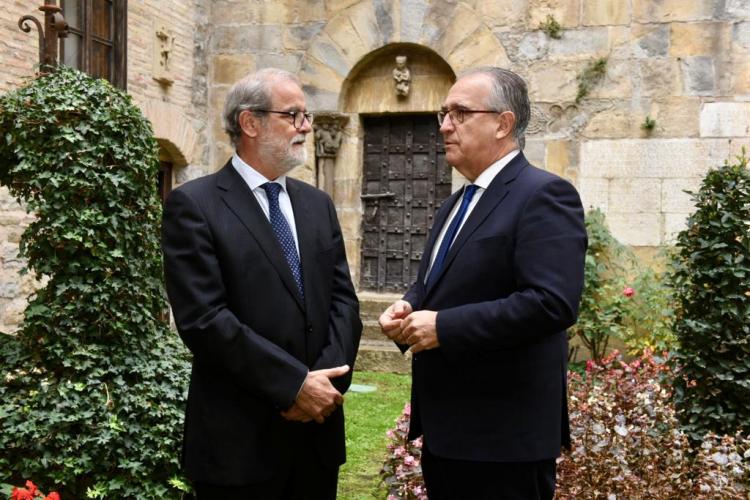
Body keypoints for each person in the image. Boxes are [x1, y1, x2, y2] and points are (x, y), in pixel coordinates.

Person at [379, 67, 587, 500]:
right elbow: (441, 282)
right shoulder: (457, 202)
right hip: (448, 432)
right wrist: (408, 305)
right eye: (443, 112)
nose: (444, 125)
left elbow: (552, 302)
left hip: (504, 440)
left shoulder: (544, 195)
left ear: (503, 124)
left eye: (460, 112)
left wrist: (444, 327)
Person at [162, 68, 362, 499]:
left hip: (317, 440)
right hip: (239, 446)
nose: (306, 127)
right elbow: (205, 319)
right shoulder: (194, 205)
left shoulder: (317, 205)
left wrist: (325, 388)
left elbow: (343, 302)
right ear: (250, 123)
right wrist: (293, 386)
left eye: (306, 116)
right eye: (293, 115)